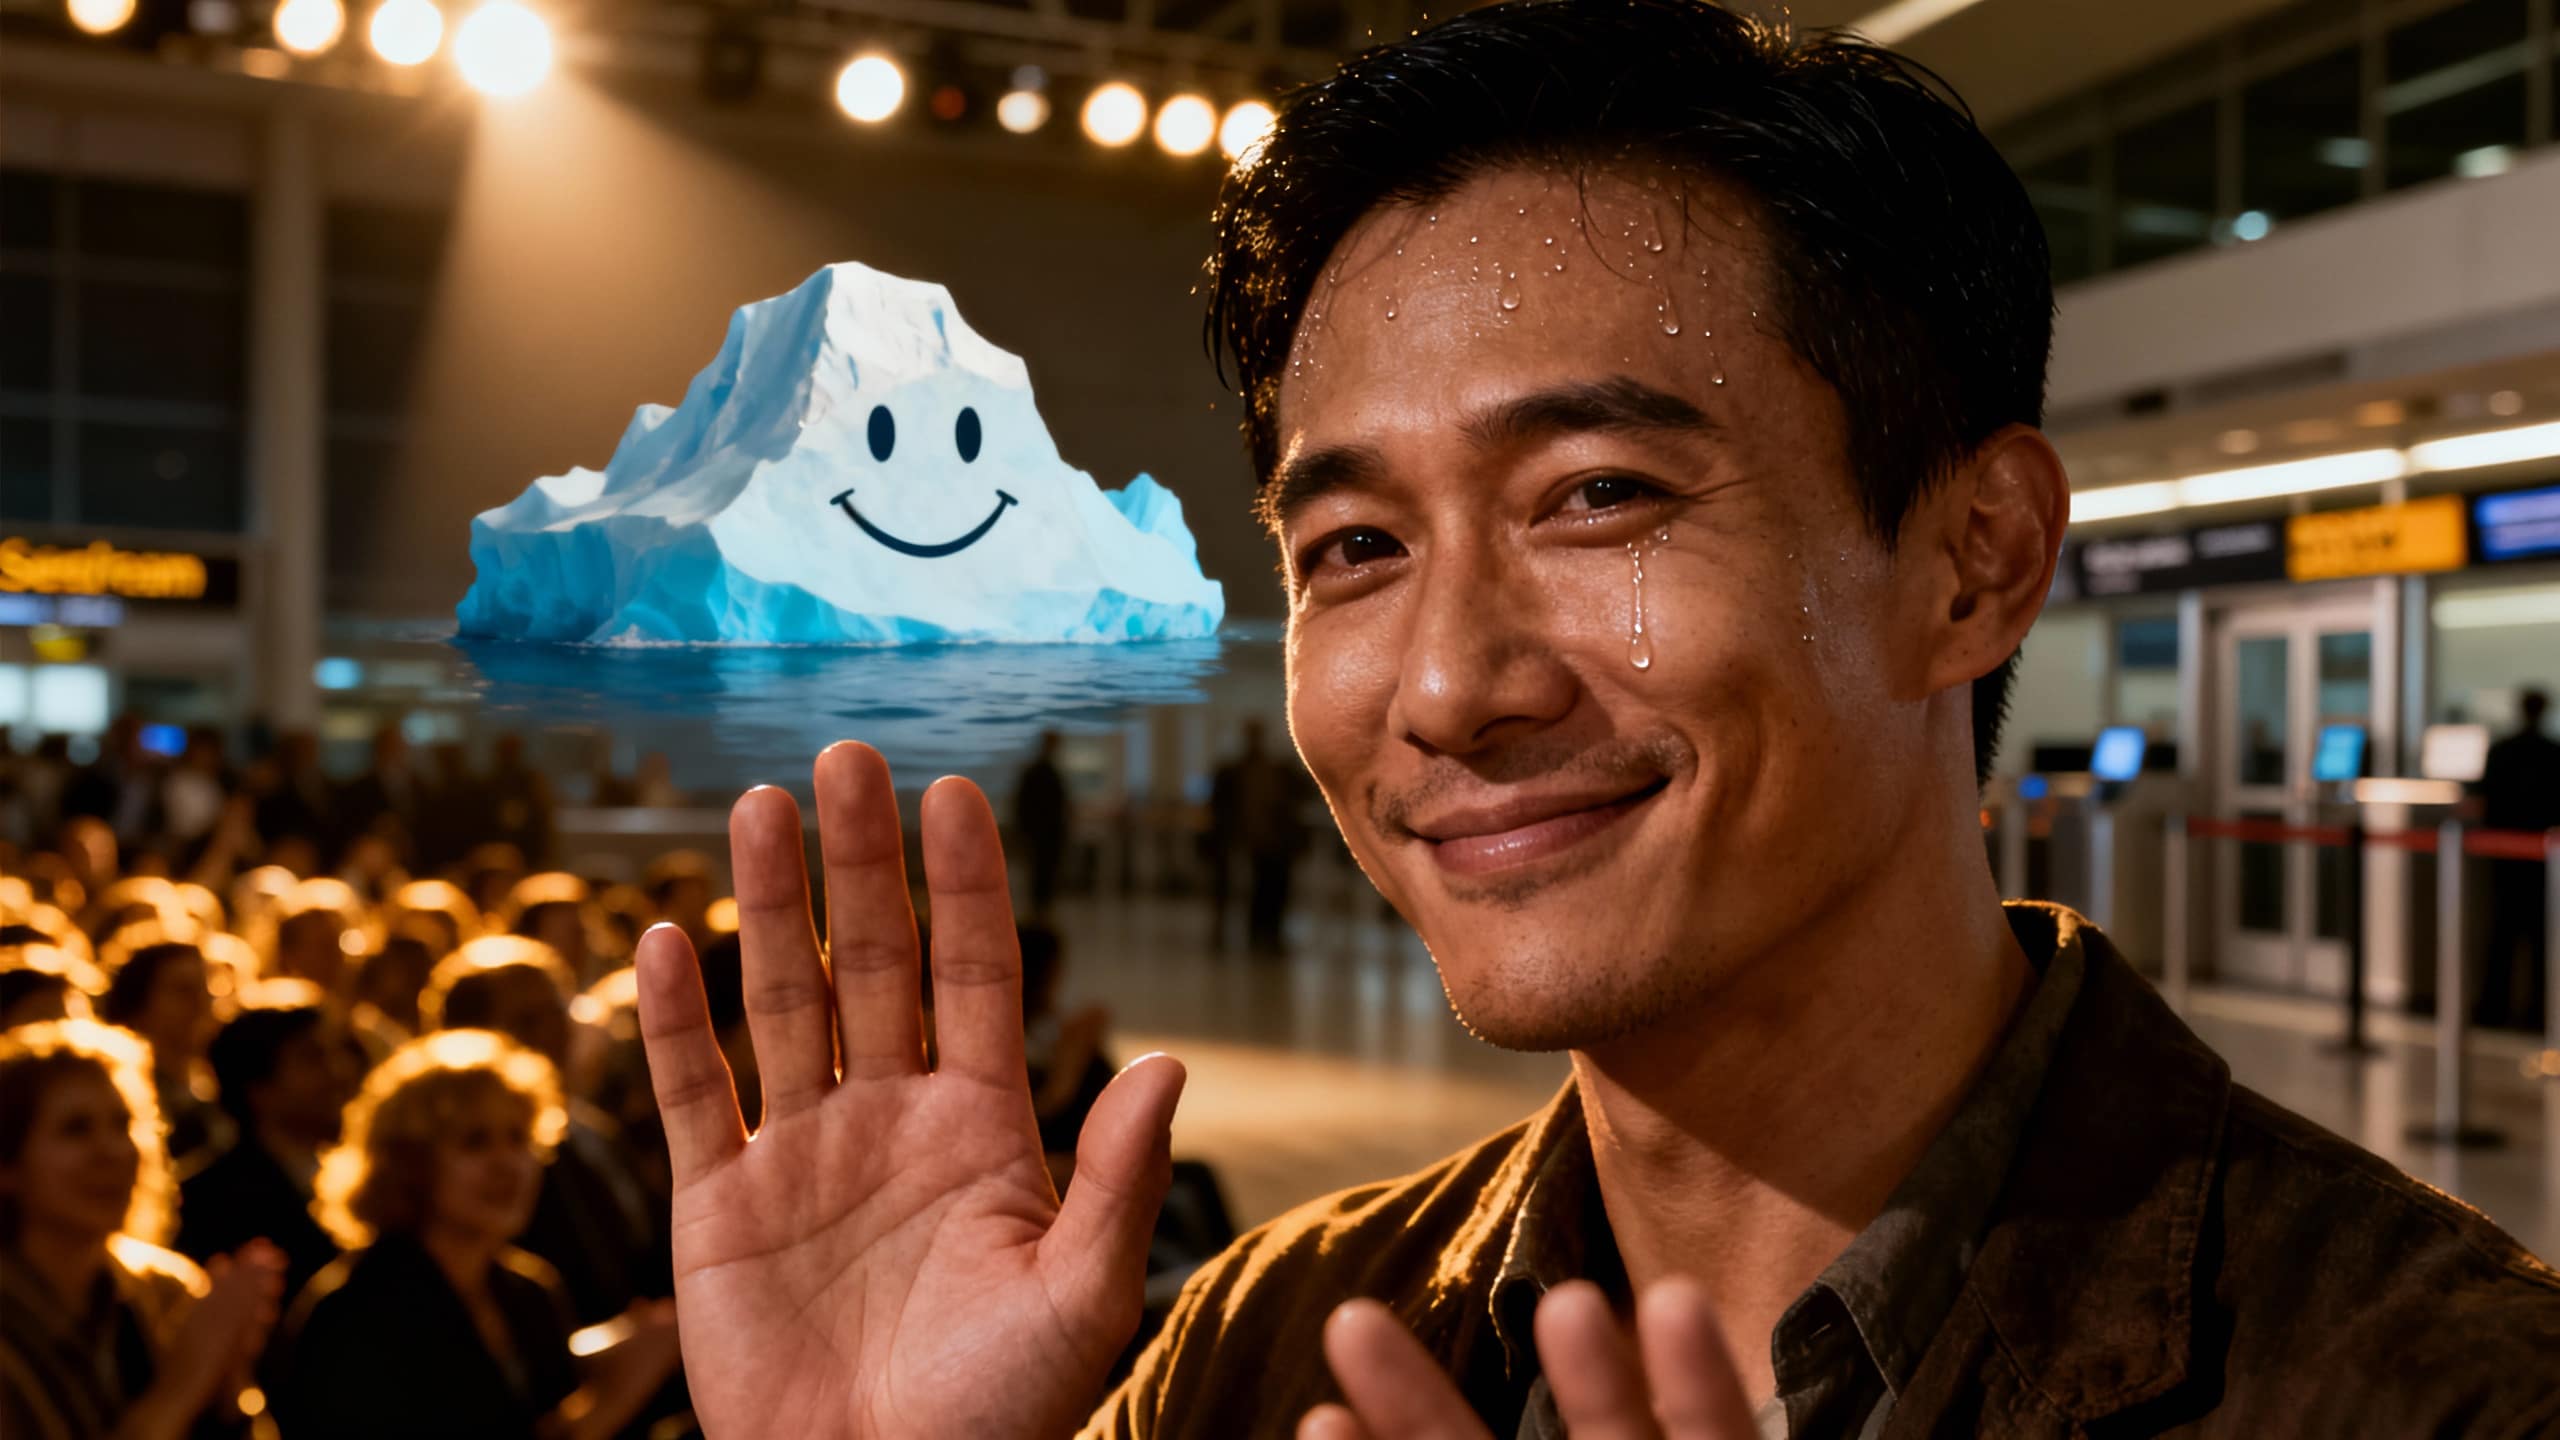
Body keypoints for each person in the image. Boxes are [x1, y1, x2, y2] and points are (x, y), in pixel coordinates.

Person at [628, 4, 2560, 1438]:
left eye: (1602, 497)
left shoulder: (2435, 1391)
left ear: (1974, 560)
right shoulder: (1269, 1349)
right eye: (1358, 545)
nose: (1455, 685)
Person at [266, 1030, 680, 1440]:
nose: (507, 1164)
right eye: (475, 1142)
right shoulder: (353, 1312)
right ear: (412, 1163)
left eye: (519, 1137)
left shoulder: (532, 1290)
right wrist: (605, 1404)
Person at [0, 1020, 285, 1440]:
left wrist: (228, 1394)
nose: (110, 1151)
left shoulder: (167, 1291)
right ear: (8, 1166)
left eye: (123, 1124)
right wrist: (184, 1383)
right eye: (75, 1129)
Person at [176, 986, 354, 1299]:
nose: (337, 1073)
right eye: (312, 1058)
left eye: (333, 1054)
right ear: (259, 1089)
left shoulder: (364, 1185)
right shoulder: (210, 1202)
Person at [2474, 686, 2560, 1029]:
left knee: (2502, 936)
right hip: (2543, 863)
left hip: (2505, 862)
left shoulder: (2501, 751)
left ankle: (2493, 1010)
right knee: (2542, 939)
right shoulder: (2554, 753)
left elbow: (2486, 803)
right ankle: (2539, 1013)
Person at [1015, 731, 1073, 918]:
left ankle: (1040, 910)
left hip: (1043, 832)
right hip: (1043, 833)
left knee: (1042, 874)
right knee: (1041, 874)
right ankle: (1040, 910)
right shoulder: (1046, 773)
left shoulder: (1040, 772)